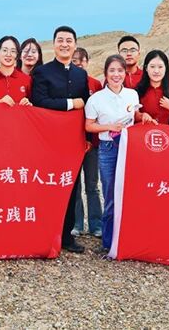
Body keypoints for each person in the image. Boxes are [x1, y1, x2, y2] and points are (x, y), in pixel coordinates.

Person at [31, 26, 90, 253]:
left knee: (71, 186)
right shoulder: (42, 72)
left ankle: (66, 236)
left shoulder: (80, 75)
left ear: (75, 45)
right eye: (60, 40)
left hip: (72, 141)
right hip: (48, 139)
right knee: (47, 185)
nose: (64, 44)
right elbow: (39, 101)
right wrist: (70, 103)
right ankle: (44, 232)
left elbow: (86, 109)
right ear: (54, 43)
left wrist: (87, 138)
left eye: (69, 40)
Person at [84, 54, 139, 254]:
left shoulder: (132, 95)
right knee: (110, 194)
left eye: (120, 71)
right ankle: (108, 242)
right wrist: (109, 127)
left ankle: (127, 238)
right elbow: (89, 126)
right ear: (106, 74)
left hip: (129, 147)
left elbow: (135, 116)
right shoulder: (96, 99)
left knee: (128, 192)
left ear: (125, 73)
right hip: (107, 148)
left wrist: (143, 117)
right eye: (112, 70)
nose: (116, 75)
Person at [70, 47, 103, 239]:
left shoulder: (95, 84)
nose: (79, 63)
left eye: (82, 60)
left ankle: (96, 224)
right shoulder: (68, 82)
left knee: (92, 184)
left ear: (87, 62)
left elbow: (100, 114)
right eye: (74, 60)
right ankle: (77, 224)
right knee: (75, 186)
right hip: (72, 142)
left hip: (92, 143)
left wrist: (90, 140)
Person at [135, 50, 169, 126]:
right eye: (152, 67)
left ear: (166, 68)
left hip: (168, 132)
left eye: (160, 67)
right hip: (145, 132)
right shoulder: (137, 91)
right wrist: (142, 116)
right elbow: (131, 117)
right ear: (146, 68)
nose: (156, 71)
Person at [0, 36, 32, 105]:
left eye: (13, 51)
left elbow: (35, 107)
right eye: (4, 50)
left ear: (17, 55)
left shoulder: (27, 80)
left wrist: (29, 104)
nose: (8, 54)